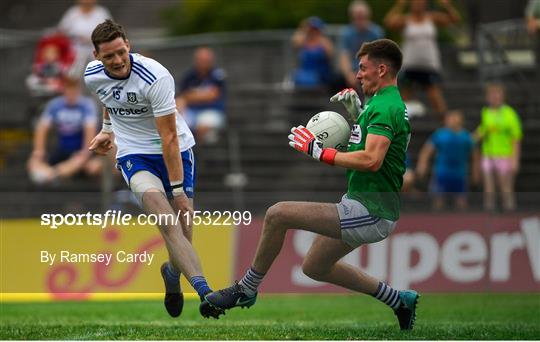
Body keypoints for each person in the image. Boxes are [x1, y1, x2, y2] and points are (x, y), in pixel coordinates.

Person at [202, 39, 419, 331]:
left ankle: (247, 288)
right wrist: (357, 115)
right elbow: (369, 144)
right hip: (363, 203)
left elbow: (371, 159)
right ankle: (399, 300)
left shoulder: (385, 107)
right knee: (314, 266)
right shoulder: (380, 104)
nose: (358, 74)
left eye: (363, 68)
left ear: (381, 69)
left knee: (278, 214)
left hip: (372, 209)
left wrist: (320, 152)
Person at [84, 20, 222, 319]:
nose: (118, 61)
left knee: (184, 234)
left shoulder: (155, 77)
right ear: (97, 56)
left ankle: (171, 275)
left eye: (122, 52)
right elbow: (109, 96)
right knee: (166, 220)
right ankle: (206, 292)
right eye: (109, 56)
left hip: (176, 150)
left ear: (128, 45)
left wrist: (178, 192)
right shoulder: (92, 75)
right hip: (134, 154)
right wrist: (108, 129)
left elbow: (169, 138)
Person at [384, 0, 460, 118]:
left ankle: (445, 128)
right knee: (402, 101)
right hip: (409, 65)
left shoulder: (432, 18)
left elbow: (455, 20)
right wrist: (400, 5)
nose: (418, 4)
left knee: (437, 99)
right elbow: (388, 22)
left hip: (429, 65)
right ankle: (399, 128)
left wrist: (446, 5)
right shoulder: (406, 19)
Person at [27, 77, 102, 184]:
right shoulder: (55, 105)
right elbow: (41, 128)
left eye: (74, 91)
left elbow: (90, 131)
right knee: (33, 162)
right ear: (64, 90)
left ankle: (51, 175)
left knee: (89, 165)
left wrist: (85, 153)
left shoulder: (86, 105)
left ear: (78, 91)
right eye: (69, 90)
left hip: (81, 151)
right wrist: (39, 151)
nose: (71, 94)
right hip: (62, 150)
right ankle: (53, 174)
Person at [416, 110, 480, 210]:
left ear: (461, 121)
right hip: (442, 174)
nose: (453, 121)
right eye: (451, 118)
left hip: (459, 175)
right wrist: (422, 166)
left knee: (461, 203)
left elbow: (475, 155)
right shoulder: (440, 135)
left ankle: (462, 224)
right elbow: (426, 151)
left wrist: (476, 173)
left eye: (456, 118)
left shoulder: (466, 137)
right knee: (438, 202)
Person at [476, 83, 522, 212]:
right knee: (488, 188)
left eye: (497, 93)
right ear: (487, 97)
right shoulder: (485, 112)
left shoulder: (510, 113)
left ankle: (509, 214)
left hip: (505, 155)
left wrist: (515, 160)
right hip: (488, 155)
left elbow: (516, 138)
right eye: (491, 94)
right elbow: (484, 129)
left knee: (506, 188)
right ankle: (489, 216)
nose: (494, 96)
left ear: (503, 96)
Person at [176, 47, 226, 144]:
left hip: (212, 111)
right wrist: (204, 95)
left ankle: (205, 153)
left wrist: (193, 95)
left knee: (205, 127)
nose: (204, 62)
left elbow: (214, 95)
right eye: (201, 60)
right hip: (191, 111)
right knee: (177, 124)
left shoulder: (217, 74)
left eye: (206, 60)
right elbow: (182, 96)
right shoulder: (189, 75)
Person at [338, 0, 385, 90]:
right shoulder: (347, 33)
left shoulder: (376, 33)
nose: (360, 20)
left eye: (362, 16)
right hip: (353, 71)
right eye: (357, 17)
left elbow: (380, 56)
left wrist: (370, 73)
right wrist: (348, 74)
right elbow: (344, 56)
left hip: (372, 71)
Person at [58, 0, 112, 76]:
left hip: (96, 49)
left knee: (99, 74)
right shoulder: (72, 12)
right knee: (73, 75)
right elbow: (62, 31)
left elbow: (110, 30)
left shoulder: (101, 12)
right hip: (75, 50)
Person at [291, 16, 334, 88]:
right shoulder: (303, 41)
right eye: (311, 29)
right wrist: (303, 28)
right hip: (304, 74)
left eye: (315, 29)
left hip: (320, 75)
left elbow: (330, 54)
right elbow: (295, 42)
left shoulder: (324, 42)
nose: (313, 32)